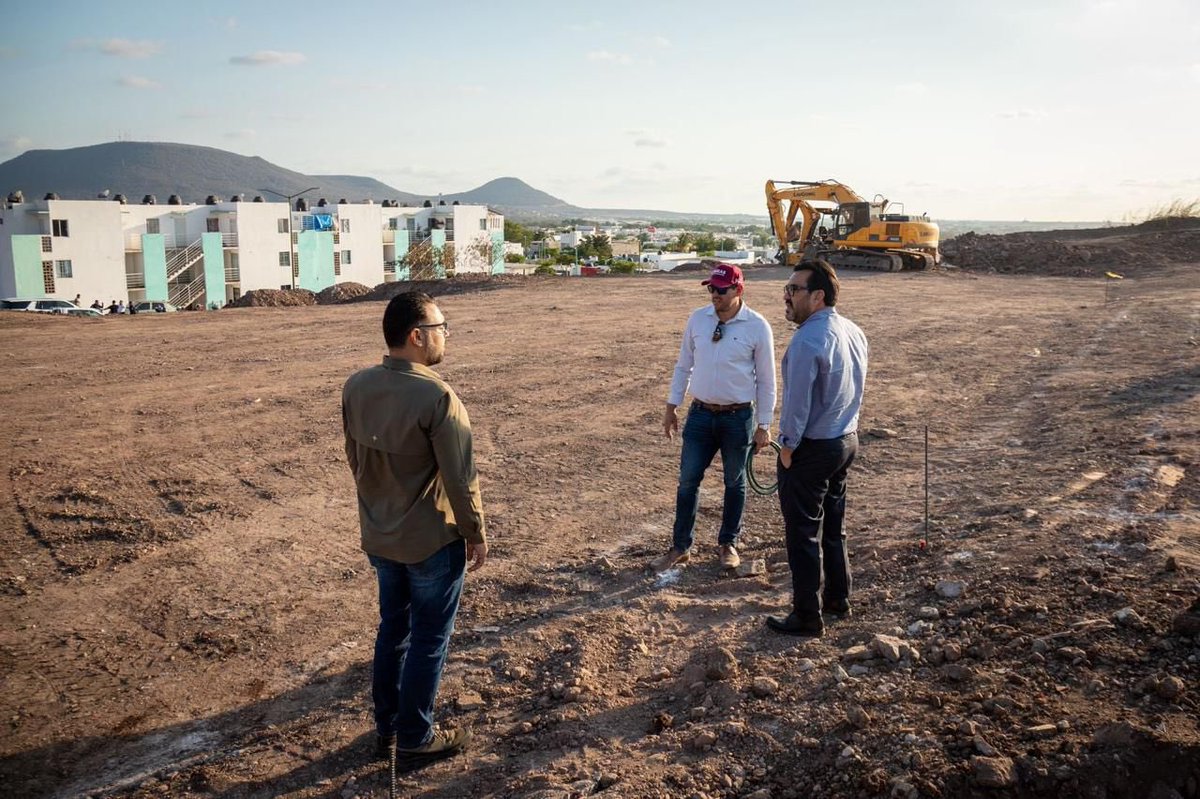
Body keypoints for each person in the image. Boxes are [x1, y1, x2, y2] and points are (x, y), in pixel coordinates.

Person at [342, 291, 487, 764]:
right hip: (430, 542)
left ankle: (386, 729)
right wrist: (475, 532)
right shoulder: (438, 396)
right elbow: (461, 478)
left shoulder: (356, 386)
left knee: (393, 631)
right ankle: (415, 738)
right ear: (416, 335)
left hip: (380, 537)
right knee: (429, 640)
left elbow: (356, 463)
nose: (446, 335)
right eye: (441, 327)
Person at [767, 259, 868, 637]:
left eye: (794, 290)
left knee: (802, 533)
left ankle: (807, 617)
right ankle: (838, 599)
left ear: (818, 295)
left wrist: (788, 448)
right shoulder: (854, 331)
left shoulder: (808, 339)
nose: (786, 297)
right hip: (845, 441)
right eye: (786, 290)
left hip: (812, 448)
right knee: (833, 527)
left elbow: (797, 403)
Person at [654, 263, 776, 572]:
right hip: (700, 415)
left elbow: (767, 379)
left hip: (739, 418)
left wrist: (764, 424)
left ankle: (728, 544)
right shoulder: (698, 320)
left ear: (738, 290)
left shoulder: (757, 326)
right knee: (687, 482)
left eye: (721, 290)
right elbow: (683, 365)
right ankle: (681, 547)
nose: (714, 295)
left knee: (734, 483)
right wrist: (672, 406)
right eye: (711, 289)